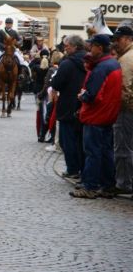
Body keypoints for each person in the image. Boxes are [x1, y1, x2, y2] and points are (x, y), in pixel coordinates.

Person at [70, 34, 122, 199]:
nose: (89, 49)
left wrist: (81, 96)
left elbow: (92, 95)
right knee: (106, 151)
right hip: (108, 114)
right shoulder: (113, 64)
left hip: (96, 116)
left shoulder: (101, 68)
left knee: (92, 152)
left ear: (99, 47)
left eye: (92, 46)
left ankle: (90, 186)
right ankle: (107, 185)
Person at [51, 35, 87, 179]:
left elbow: (57, 83)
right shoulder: (88, 60)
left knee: (68, 140)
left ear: (75, 47)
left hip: (68, 105)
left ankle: (72, 169)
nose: (65, 48)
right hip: (83, 105)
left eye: (67, 46)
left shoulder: (67, 63)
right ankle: (81, 168)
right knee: (80, 140)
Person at [112, 25, 133, 195]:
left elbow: (124, 89)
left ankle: (124, 183)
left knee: (123, 148)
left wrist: (118, 108)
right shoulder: (125, 56)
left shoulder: (127, 59)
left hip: (126, 110)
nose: (116, 43)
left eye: (118, 39)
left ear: (127, 39)